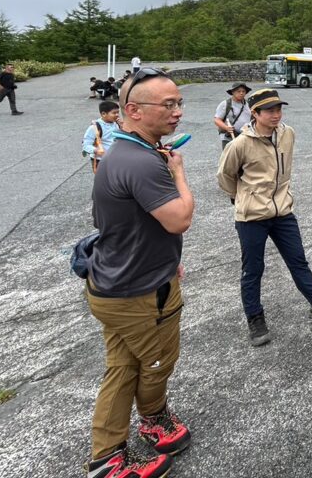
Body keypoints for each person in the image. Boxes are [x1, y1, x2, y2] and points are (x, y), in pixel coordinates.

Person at [84, 67, 194, 478]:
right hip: (139, 293)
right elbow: (179, 218)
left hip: (112, 283)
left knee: (122, 367)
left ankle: (106, 455)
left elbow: (112, 219)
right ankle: (152, 420)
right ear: (133, 109)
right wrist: (179, 173)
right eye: (168, 104)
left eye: (179, 102)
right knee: (156, 362)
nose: (178, 112)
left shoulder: (120, 152)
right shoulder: (144, 162)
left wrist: (163, 255)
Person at [217, 88, 312, 347]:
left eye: (279, 109)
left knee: (298, 260)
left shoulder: (288, 134)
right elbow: (225, 177)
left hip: (283, 212)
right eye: (269, 110)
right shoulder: (240, 144)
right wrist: (244, 197)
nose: (276, 114)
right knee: (253, 270)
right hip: (252, 216)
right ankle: (255, 318)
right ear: (254, 114)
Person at [82, 101, 122, 173]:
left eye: (118, 112)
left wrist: (122, 126)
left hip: (115, 158)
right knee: (104, 181)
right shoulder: (95, 127)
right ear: (103, 114)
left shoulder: (117, 123)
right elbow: (85, 144)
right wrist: (96, 151)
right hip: (100, 160)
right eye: (114, 113)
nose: (117, 115)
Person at [213, 83, 252, 150]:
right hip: (229, 138)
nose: (241, 93)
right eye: (238, 91)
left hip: (245, 137)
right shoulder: (225, 104)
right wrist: (226, 127)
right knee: (229, 159)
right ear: (233, 92)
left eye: (243, 91)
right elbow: (217, 120)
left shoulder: (248, 104)